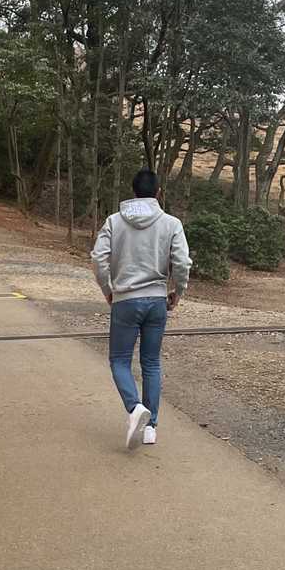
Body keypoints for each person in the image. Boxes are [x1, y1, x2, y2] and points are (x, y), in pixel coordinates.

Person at [92, 168, 192, 450]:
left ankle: (135, 407)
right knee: (151, 362)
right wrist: (178, 292)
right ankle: (150, 428)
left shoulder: (114, 221)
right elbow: (182, 263)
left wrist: (108, 289)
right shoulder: (171, 223)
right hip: (157, 300)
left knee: (119, 360)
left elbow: (98, 259)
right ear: (158, 193)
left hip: (125, 299)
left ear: (133, 192)